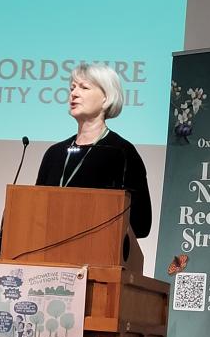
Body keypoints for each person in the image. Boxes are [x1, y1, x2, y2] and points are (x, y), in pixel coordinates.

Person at [35, 63, 152, 238]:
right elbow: (34, 211)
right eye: (72, 88)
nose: (74, 93)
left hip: (96, 255)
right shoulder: (54, 153)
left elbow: (141, 225)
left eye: (84, 87)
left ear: (106, 98)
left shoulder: (121, 153)